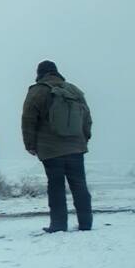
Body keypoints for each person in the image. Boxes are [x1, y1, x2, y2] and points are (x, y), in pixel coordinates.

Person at [22, 60, 93, 233]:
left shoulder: (37, 92)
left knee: (56, 186)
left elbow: (28, 120)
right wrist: (84, 139)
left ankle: (59, 224)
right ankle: (86, 222)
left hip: (51, 149)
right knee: (79, 184)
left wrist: (30, 145)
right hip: (76, 147)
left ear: (40, 73)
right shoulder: (73, 90)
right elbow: (87, 118)